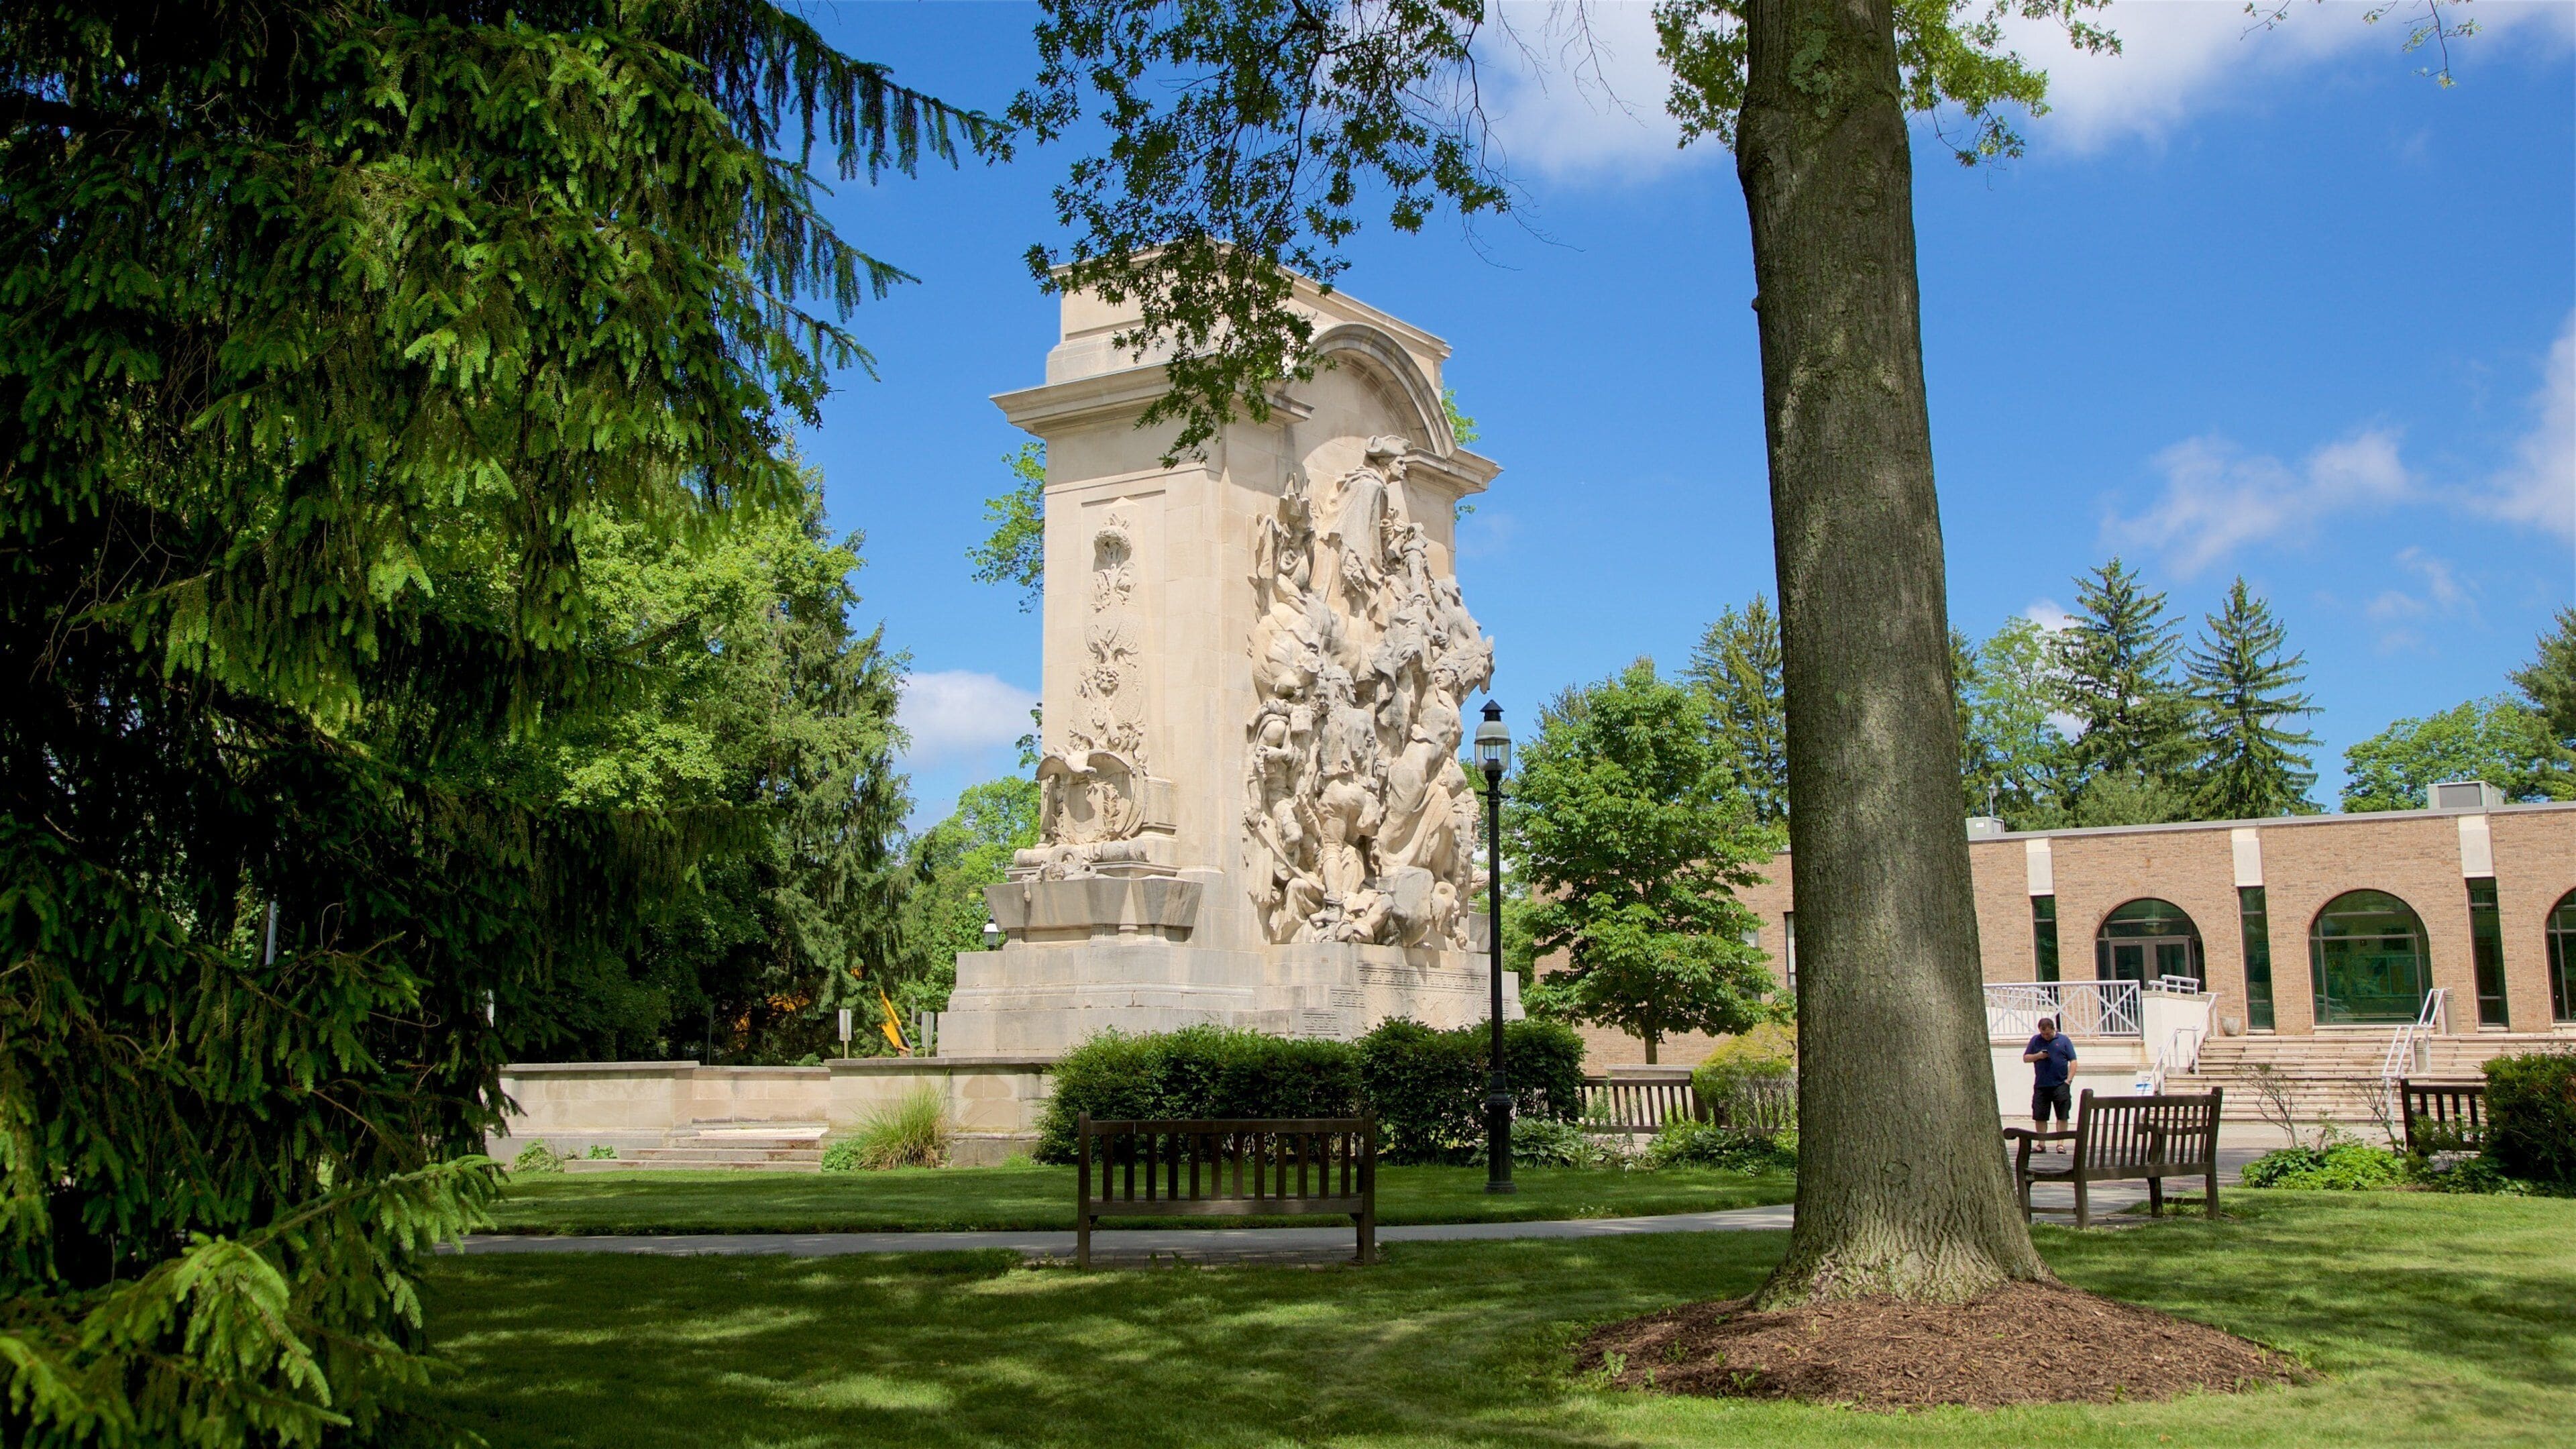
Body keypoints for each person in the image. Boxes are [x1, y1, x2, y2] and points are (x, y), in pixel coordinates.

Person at [2023, 1016, 2078, 1150]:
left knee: (2062, 1114)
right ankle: (2041, 1144)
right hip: (2042, 1085)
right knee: (2040, 1115)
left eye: (2048, 1034)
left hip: (2060, 1084)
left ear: (2054, 1029)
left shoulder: (2063, 1041)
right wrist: (2038, 1056)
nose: (2045, 1036)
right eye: (2043, 1033)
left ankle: (2060, 1144)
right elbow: (2026, 1058)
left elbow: (2074, 1061)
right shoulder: (2036, 1040)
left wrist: (2068, 1081)